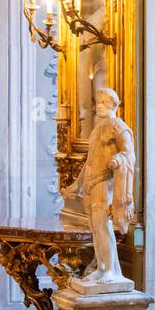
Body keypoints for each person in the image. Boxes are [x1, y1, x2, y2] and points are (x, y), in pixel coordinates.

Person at [62, 87, 136, 287]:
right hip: (90, 184)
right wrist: (76, 186)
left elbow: (129, 154)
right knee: (96, 229)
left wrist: (118, 160)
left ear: (114, 105)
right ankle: (102, 266)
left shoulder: (118, 127)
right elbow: (89, 161)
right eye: (98, 103)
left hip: (104, 183)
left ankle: (110, 269)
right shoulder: (97, 129)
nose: (100, 107)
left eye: (105, 103)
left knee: (103, 227)